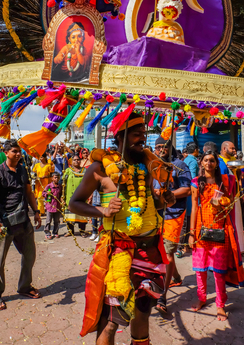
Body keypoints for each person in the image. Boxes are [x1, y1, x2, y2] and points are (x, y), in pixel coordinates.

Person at [69, 113, 175, 345]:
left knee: (143, 311)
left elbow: (150, 204)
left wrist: (164, 199)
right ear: (120, 137)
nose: (142, 139)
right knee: (112, 320)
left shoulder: (145, 166)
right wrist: (103, 211)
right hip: (119, 252)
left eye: (143, 135)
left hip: (150, 250)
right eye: (137, 135)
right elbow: (74, 203)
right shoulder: (100, 168)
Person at [189, 151, 244, 320]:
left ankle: (220, 305)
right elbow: (194, 208)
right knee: (200, 271)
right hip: (201, 231)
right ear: (201, 163)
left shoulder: (226, 182)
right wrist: (191, 234)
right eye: (206, 160)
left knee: (218, 272)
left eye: (212, 160)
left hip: (220, 232)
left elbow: (231, 207)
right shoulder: (195, 183)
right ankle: (202, 298)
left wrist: (222, 202)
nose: (209, 163)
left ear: (216, 163)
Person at [0, 139, 41, 311]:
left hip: (23, 221)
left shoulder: (22, 170)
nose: (18, 154)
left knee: (30, 255)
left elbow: (29, 192)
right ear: (6, 152)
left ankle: (24, 286)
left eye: (19, 152)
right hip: (3, 223)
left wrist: (37, 211)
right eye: (14, 151)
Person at [153, 136, 191, 315]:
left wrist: (168, 194)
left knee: (167, 253)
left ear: (170, 147)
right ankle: (175, 277)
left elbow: (187, 189)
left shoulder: (179, 165)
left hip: (174, 214)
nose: (161, 149)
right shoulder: (153, 165)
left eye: (163, 146)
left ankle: (162, 295)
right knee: (162, 251)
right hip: (155, 214)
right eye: (157, 147)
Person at [219, 141, 244, 255]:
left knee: (237, 223)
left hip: (235, 196)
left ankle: (237, 248)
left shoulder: (231, 162)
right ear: (224, 149)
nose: (235, 151)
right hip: (227, 199)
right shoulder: (221, 162)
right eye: (232, 148)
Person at [63, 154, 87, 237]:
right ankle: (70, 231)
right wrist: (62, 196)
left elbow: (88, 184)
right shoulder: (68, 171)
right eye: (74, 160)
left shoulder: (85, 171)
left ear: (80, 161)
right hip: (69, 196)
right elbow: (63, 184)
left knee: (81, 215)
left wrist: (90, 196)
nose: (76, 161)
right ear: (71, 162)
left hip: (81, 197)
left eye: (78, 160)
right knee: (69, 215)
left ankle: (82, 231)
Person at [42, 172, 62, 239]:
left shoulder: (60, 186)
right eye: (55, 177)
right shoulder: (49, 186)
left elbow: (61, 195)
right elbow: (43, 193)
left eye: (58, 177)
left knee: (56, 221)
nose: (56, 179)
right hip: (50, 206)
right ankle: (47, 232)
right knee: (48, 220)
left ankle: (55, 232)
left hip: (57, 206)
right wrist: (47, 193)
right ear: (52, 178)